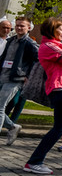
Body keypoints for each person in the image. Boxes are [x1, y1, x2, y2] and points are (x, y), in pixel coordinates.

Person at [23, 18, 62, 174]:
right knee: (61, 127)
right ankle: (34, 161)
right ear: (52, 29)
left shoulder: (55, 46)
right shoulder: (48, 46)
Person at [1, 16, 39, 146]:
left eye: (22, 26)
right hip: (2, 76)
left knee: (0, 107)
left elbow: (38, 60)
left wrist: (28, 75)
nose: (18, 28)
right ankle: (12, 127)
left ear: (29, 28)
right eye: (17, 25)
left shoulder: (30, 43)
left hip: (15, 79)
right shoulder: (10, 40)